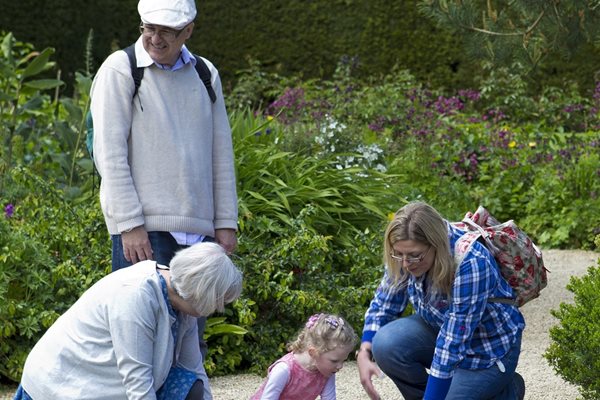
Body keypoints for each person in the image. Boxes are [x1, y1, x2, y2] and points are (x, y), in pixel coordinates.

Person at [89, 0, 238, 356]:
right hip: (145, 232)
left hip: (201, 235)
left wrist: (226, 222)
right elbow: (109, 155)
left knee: (191, 345)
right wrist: (128, 223)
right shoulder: (121, 69)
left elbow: (221, 152)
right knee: (140, 343)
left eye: (166, 31)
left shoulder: (205, 73)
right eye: (148, 28)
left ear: (188, 31)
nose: (154, 38)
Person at [13, 242, 243, 400]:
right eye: (219, 300)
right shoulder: (135, 296)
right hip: (67, 386)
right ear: (202, 292)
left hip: (108, 382)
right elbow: (138, 383)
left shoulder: (184, 302)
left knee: (192, 386)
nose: (219, 307)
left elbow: (193, 368)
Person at [356, 201, 526, 400]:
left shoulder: (471, 261)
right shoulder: (406, 249)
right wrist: (364, 350)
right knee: (385, 344)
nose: (404, 263)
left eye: (414, 256)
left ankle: (509, 390)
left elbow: (452, 342)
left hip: (487, 350)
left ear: (436, 245)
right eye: (398, 254)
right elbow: (385, 301)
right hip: (440, 329)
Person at [250, 313, 358, 400]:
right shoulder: (284, 370)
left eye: (343, 361)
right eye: (334, 361)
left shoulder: (327, 371)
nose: (340, 366)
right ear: (313, 352)